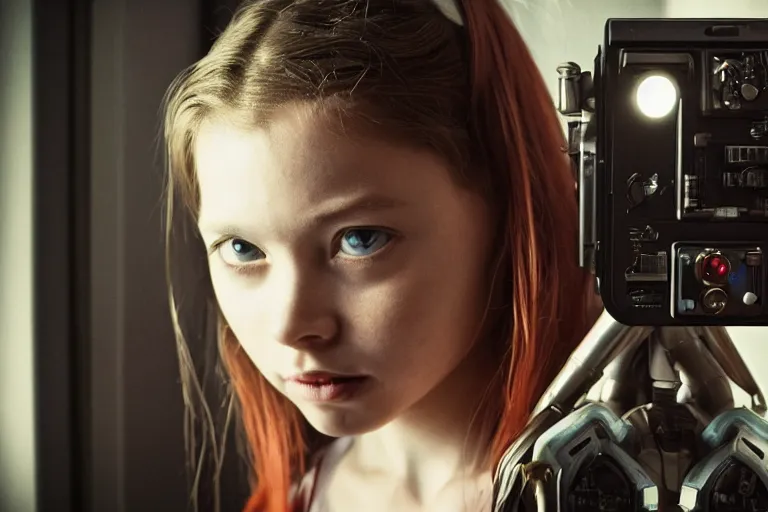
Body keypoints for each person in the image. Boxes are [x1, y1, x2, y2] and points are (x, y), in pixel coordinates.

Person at [161, 0, 600, 510]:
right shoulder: (296, 500)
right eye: (243, 249)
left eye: (360, 240)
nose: (292, 326)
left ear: (507, 209)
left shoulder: (656, 483)